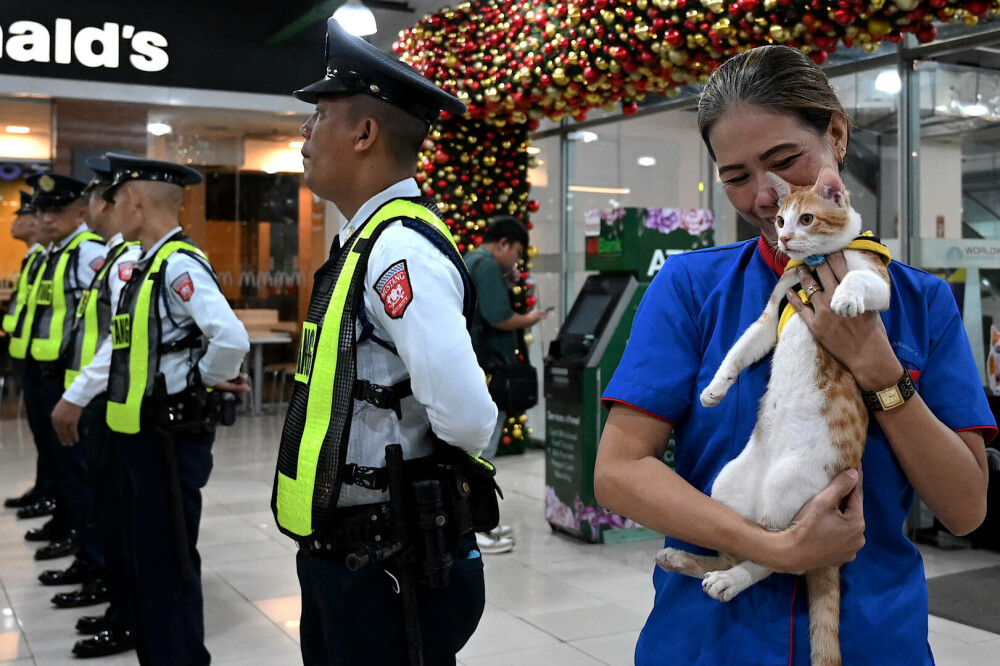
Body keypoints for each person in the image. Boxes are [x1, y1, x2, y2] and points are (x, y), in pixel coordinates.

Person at [593, 45, 995, 665]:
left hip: (869, 634)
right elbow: (618, 472)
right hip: (711, 636)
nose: (761, 197)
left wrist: (877, 369)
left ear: (835, 134)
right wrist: (773, 550)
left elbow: (966, 509)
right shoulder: (692, 288)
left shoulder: (921, 302)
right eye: (735, 176)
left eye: (783, 162)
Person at [272, 18, 497, 665]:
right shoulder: (364, 242)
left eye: (319, 118)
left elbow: (470, 417)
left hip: (386, 562)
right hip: (347, 556)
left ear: (365, 134)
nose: (305, 136)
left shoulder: (398, 249)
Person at [96, 153, 250, 665]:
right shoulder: (146, 265)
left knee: (168, 564)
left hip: (166, 438)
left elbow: (230, 338)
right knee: (146, 560)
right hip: (138, 434)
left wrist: (201, 382)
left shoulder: (178, 264)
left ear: (136, 201)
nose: (112, 208)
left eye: (117, 199)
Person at [48, 155, 143, 657]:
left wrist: (77, 394)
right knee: (104, 510)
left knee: (115, 515)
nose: (85, 206)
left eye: (93, 197)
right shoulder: (111, 255)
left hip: (110, 401)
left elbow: (118, 343)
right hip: (100, 400)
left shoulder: (126, 259)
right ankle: (114, 601)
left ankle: (123, 610)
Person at [20, 173, 106, 563]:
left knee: (77, 468)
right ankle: (67, 524)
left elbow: (106, 317)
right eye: (43, 211)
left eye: (57, 211)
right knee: (57, 458)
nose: (47, 219)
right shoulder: (57, 251)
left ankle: (87, 547)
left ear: (82, 212)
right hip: (47, 369)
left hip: (74, 376)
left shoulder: (87, 253)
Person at [465, 215, 547, 554]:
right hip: (488, 370)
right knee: (482, 452)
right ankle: (475, 526)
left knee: (476, 451)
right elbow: (499, 317)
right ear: (503, 244)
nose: (516, 260)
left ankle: (482, 522)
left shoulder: (474, 260)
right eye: (515, 252)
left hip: (474, 367)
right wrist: (531, 319)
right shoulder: (484, 265)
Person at [3, 191, 54, 514]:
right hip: (30, 352)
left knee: (53, 438)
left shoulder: (50, 257)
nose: (15, 222)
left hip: (48, 359)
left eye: (23, 216)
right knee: (41, 434)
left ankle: (53, 496)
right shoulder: (35, 258)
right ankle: (44, 489)